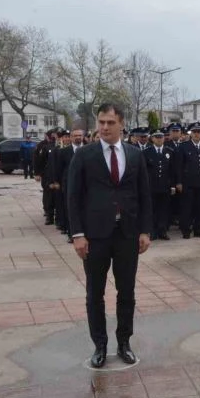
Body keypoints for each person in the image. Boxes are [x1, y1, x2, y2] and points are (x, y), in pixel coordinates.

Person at [67, 103, 152, 368]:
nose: (104, 127)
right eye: (101, 122)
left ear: (121, 125)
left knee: (126, 291)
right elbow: (73, 197)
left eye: (110, 123)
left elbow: (144, 195)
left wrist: (145, 230)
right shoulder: (84, 155)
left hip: (127, 234)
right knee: (95, 292)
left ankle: (124, 342)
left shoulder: (135, 155)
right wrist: (78, 234)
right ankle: (100, 345)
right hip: (95, 236)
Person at [175, 122, 200, 239]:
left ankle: (198, 229)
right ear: (190, 133)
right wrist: (179, 182)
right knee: (187, 208)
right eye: (194, 132)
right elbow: (178, 166)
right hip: (188, 183)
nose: (196, 134)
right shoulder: (184, 146)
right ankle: (186, 230)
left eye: (198, 132)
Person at [53, 129, 84, 243]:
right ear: (71, 137)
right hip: (69, 184)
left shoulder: (89, 150)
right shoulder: (64, 152)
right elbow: (59, 169)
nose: (78, 138)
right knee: (70, 208)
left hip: (86, 185)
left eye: (80, 135)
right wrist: (57, 182)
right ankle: (72, 234)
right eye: (75, 136)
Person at [144, 129, 175, 241]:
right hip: (151, 186)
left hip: (165, 186)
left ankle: (162, 231)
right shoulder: (146, 152)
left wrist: (173, 185)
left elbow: (172, 170)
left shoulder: (169, 151)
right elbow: (144, 172)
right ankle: (152, 231)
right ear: (152, 138)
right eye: (156, 137)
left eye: (161, 137)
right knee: (152, 210)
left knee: (164, 210)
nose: (159, 139)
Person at [33, 129, 57, 225]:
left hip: (56, 174)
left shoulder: (59, 145)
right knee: (48, 193)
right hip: (46, 173)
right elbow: (37, 160)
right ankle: (48, 212)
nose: (54, 137)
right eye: (52, 135)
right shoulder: (42, 145)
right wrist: (37, 173)